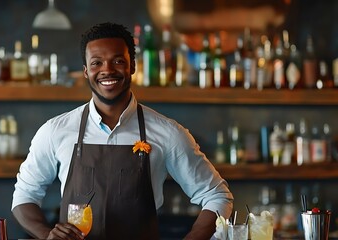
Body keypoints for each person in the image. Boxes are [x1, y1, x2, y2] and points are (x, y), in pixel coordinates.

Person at [12, 22, 233, 240]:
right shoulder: (55, 131)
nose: (107, 70)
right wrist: (46, 234)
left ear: (133, 66)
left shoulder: (168, 133)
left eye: (117, 61)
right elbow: (24, 195)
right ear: (86, 71)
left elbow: (217, 196)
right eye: (97, 63)